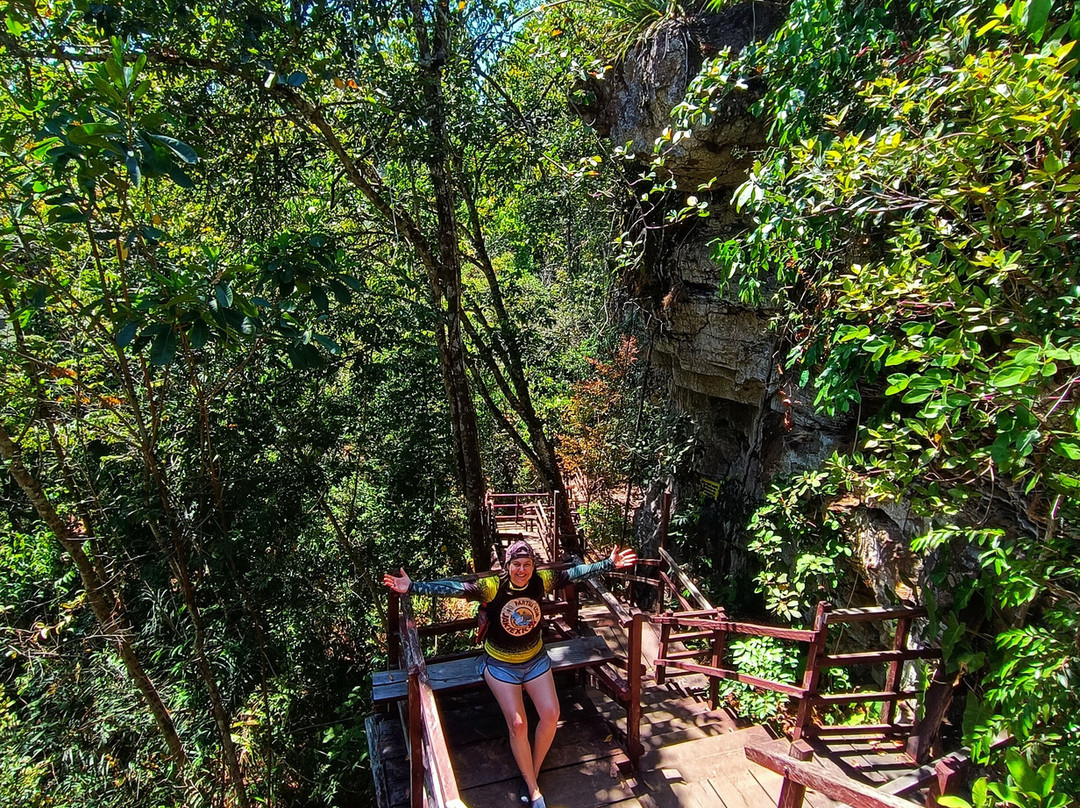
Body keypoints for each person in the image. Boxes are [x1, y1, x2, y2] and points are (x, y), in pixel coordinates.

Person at [383, 540, 638, 808]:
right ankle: (533, 788)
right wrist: (412, 587)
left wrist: (609, 563)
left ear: (533, 566)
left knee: (551, 715)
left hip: (536, 659)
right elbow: (455, 589)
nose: (522, 570)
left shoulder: (541, 581)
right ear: (507, 566)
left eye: (527, 564)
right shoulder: (493, 586)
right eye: (516, 564)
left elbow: (575, 573)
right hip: (500, 664)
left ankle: (532, 775)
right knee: (518, 724)